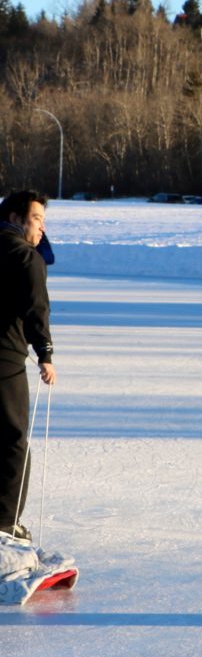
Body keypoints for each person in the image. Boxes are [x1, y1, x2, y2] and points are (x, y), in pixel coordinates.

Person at [0, 191, 56, 543]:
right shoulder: (25, 257)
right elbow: (37, 309)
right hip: (4, 362)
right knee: (13, 440)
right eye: (37, 220)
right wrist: (46, 354)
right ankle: (5, 523)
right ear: (19, 219)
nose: (42, 229)